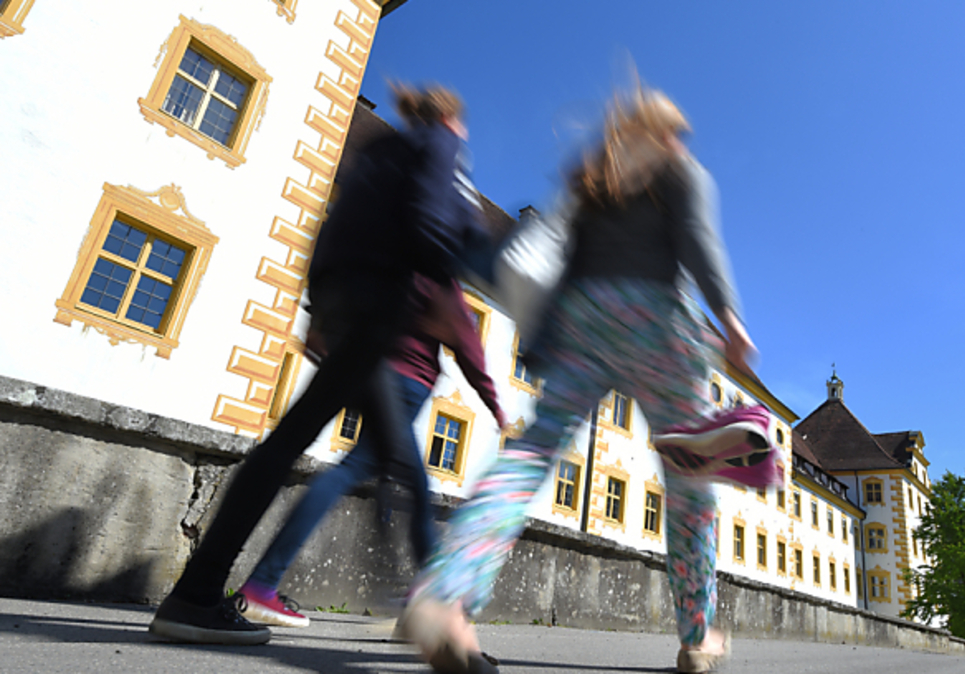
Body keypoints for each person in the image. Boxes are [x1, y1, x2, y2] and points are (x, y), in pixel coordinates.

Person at [396, 87, 755, 674]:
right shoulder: (680, 170)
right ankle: (697, 635)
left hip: (583, 322)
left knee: (532, 453)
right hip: (659, 324)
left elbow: (554, 253)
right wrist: (731, 318)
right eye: (677, 132)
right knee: (690, 480)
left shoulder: (592, 177)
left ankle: (447, 592)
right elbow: (698, 240)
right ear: (667, 132)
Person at [149, 84, 487, 645]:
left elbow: (327, 229)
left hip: (343, 303)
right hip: (381, 310)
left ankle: (200, 592)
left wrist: (318, 311)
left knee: (298, 446)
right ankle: (441, 617)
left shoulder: (377, 152)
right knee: (402, 471)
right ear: (451, 118)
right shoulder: (441, 144)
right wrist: (449, 275)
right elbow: (431, 222)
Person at [237, 274, 506, 628]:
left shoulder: (399, 261)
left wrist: (320, 321)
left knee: (373, 474)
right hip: (406, 383)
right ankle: (430, 604)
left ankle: (424, 602)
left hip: (369, 367)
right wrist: (493, 403)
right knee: (391, 480)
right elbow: (467, 341)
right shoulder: (438, 270)